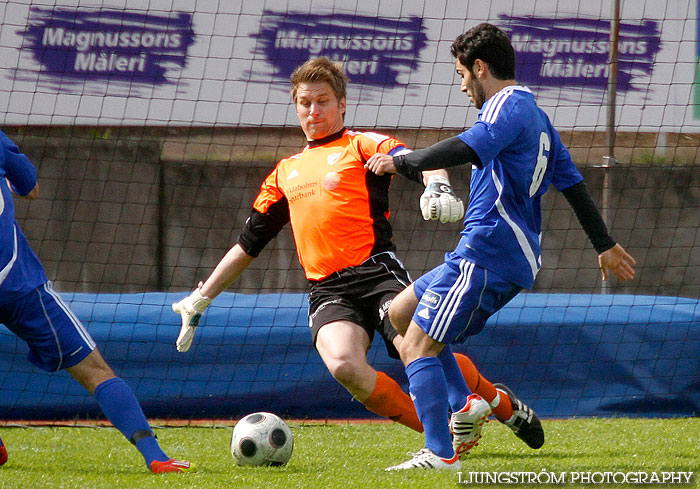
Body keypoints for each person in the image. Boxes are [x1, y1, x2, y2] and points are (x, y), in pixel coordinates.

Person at [365, 23, 637, 471]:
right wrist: (603, 244)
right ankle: (467, 403)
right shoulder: (538, 118)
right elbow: (573, 185)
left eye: (461, 75)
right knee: (399, 312)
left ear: (479, 68)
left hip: (488, 252)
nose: (461, 86)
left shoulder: (505, 106)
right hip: (494, 253)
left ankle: (440, 452)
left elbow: (471, 146)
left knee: (414, 345)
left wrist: (401, 162)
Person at [171, 56, 485, 434]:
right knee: (343, 365)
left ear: (341, 104)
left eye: (323, 101)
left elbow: (415, 160)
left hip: (377, 274)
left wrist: (437, 183)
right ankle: (439, 434)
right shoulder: (285, 172)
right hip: (328, 289)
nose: (314, 110)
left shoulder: (361, 144)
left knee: (414, 347)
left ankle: (495, 402)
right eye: (306, 102)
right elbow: (248, 244)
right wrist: (201, 297)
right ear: (296, 106)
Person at [0, 130, 194, 473]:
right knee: (95, 371)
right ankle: (156, 457)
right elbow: (30, 188)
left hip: (19, 285)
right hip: (20, 287)